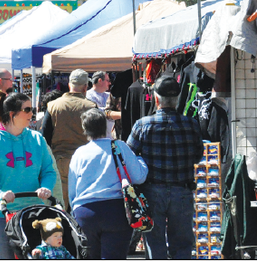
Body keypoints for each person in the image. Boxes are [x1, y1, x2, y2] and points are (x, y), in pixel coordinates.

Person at [127, 76, 204, 259]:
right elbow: (198, 155)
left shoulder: (142, 124)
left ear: (156, 99)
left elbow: (129, 156)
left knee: (154, 242)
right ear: (177, 100)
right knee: (183, 243)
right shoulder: (191, 124)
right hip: (182, 189)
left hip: (152, 190)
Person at [0, 91, 56, 259]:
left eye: (32, 108)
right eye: (27, 109)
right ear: (12, 114)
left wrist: (46, 187)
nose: (32, 113)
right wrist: (0, 195)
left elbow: (48, 170)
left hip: (33, 213)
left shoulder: (37, 138)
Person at [68, 108, 148, 259]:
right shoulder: (119, 146)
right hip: (115, 211)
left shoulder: (79, 153)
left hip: (85, 212)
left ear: (85, 129)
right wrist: (141, 160)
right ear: (106, 125)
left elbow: (72, 191)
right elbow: (139, 177)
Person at [44, 69, 97, 210]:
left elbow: (45, 136)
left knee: (61, 204)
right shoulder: (91, 106)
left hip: (60, 160)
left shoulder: (53, 105)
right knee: (83, 203)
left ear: (69, 85)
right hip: (86, 162)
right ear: (86, 87)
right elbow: (98, 136)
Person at [86, 71, 116, 138]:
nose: (110, 83)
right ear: (100, 81)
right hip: (96, 137)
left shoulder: (109, 95)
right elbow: (96, 112)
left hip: (109, 137)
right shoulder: (88, 96)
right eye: (107, 80)